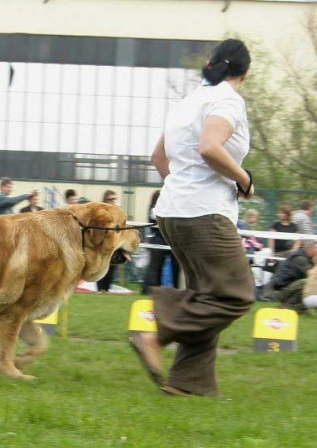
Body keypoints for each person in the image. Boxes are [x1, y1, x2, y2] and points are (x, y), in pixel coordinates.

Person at [133, 38, 255, 397]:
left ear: (211, 64)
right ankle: (154, 335)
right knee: (235, 296)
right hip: (204, 213)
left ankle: (188, 383)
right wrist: (243, 179)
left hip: (172, 211)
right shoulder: (228, 99)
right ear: (244, 73)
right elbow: (209, 147)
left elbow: (158, 157)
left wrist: (182, 190)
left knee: (206, 294)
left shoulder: (186, 103)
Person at [141, 190, 180, 295]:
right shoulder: (154, 210)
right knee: (155, 266)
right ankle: (150, 289)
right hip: (158, 239)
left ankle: (177, 289)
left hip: (170, 239)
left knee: (176, 266)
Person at [268, 241, 317, 312]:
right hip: (281, 291)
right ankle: (287, 306)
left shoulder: (306, 258)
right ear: (309, 249)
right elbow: (312, 275)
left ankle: (296, 308)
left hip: (289, 288)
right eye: (316, 249)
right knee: (306, 283)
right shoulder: (300, 258)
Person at [96, 190, 120, 292]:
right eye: (110, 199)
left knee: (111, 269)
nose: (112, 201)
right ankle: (101, 290)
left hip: (113, 246)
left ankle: (106, 290)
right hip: (102, 246)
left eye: (114, 199)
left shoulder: (118, 213)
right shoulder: (101, 213)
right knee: (101, 269)